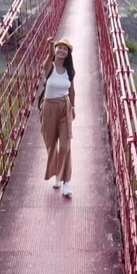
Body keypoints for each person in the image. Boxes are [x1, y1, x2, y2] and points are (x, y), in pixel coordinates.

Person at [39, 37, 76, 197]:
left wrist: (73, 107)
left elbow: (72, 90)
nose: (62, 51)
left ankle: (66, 182)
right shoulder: (49, 67)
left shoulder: (69, 70)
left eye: (65, 49)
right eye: (59, 48)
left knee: (66, 146)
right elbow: (48, 58)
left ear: (68, 53)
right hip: (48, 108)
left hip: (64, 107)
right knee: (51, 145)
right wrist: (49, 45)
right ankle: (57, 175)